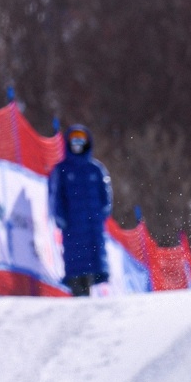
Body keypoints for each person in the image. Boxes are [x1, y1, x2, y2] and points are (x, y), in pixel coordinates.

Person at [49, 124, 113, 296]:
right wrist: (60, 217)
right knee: (75, 259)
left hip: (92, 225)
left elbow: (105, 194)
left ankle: (89, 283)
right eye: (74, 140)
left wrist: (103, 212)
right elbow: (56, 196)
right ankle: (77, 287)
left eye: (80, 140)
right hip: (73, 225)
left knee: (92, 259)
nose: (77, 144)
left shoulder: (95, 169)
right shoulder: (62, 170)